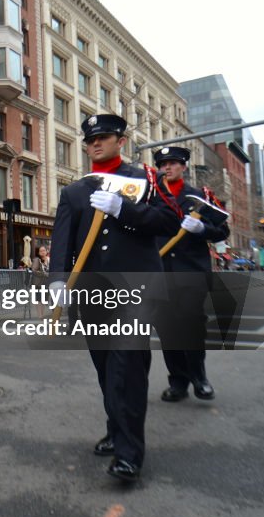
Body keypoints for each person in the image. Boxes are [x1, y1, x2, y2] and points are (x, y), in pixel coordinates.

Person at [47, 114, 178, 484]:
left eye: (104, 137)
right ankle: (117, 429)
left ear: (121, 140)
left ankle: (129, 454)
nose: (96, 144)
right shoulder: (75, 191)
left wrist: (127, 210)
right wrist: (58, 281)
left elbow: (171, 220)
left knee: (128, 369)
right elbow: (61, 241)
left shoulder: (144, 179)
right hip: (92, 293)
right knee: (106, 369)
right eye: (90, 140)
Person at [152, 146, 230, 402]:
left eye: (173, 163)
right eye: (163, 164)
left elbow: (222, 231)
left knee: (192, 326)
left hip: (191, 273)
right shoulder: (152, 198)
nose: (168, 168)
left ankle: (199, 378)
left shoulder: (199, 197)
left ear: (184, 167)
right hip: (160, 272)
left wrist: (201, 228)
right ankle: (177, 382)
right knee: (167, 329)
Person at [30, 244, 50, 318]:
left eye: (43, 250)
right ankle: (40, 315)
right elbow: (34, 270)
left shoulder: (48, 260)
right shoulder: (36, 260)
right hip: (37, 283)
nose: (42, 252)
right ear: (38, 252)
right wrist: (44, 274)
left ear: (46, 251)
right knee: (38, 299)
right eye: (40, 251)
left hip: (46, 282)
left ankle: (42, 313)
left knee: (44, 299)